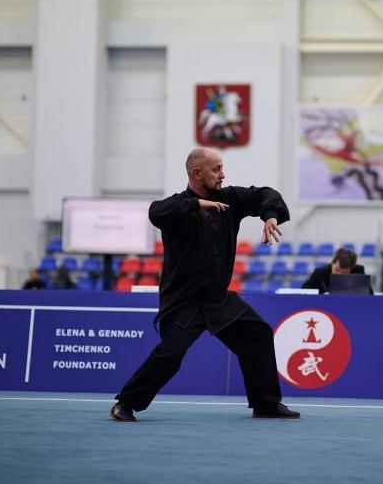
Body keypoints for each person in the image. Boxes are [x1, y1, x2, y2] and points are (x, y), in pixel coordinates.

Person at [111, 147, 299, 422]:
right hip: (183, 302)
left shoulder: (230, 199)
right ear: (197, 173)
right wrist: (196, 205)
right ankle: (125, 403)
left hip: (218, 300)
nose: (222, 175)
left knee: (257, 334)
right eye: (216, 169)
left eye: (222, 168)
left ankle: (265, 404)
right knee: (171, 353)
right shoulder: (177, 206)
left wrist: (270, 214)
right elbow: (155, 212)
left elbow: (264, 193)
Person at [301, 248, 367, 294]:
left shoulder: (358, 272)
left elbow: (369, 295)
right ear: (333, 263)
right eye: (337, 270)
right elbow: (304, 291)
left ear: (351, 269)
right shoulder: (320, 273)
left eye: (344, 273)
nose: (339, 275)